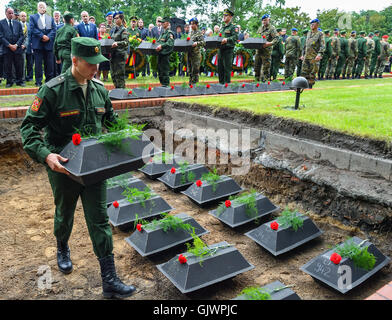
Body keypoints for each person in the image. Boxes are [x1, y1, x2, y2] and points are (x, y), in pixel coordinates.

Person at [20, 36, 136, 299]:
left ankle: (109, 279)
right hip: (64, 167)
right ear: (74, 61)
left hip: (95, 166)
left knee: (99, 220)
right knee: (65, 213)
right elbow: (28, 128)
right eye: (91, 63)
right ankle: (62, 245)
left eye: (98, 63)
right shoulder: (52, 90)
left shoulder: (99, 89)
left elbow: (112, 122)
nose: (96, 68)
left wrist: (133, 141)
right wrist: (46, 155)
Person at [29, 2, 57, 87]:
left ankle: (49, 80)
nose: (42, 8)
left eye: (43, 7)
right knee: (38, 64)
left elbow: (54, 29)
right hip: (38, 44)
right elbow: (32, 28)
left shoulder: (50, 18)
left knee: (49, 64)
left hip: (48, 44)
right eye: (40, 7)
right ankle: (38, 81)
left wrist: (48, 37)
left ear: (45, 8)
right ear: (37, 8)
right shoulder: (33, 17)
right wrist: (42, 36)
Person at [0, 7, 25, 87]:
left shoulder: (17, 23)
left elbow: (21, 36)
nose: (11, 15)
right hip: (7, 48)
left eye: (12, 13)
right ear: (6, 13)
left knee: (19, 65)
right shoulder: (1, 23)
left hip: (17, 48)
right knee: (8, 66)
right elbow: (1, 36)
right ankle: (9, 82)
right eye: (9, 13)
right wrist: (9, 45)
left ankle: (19, 81)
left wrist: (16, 45)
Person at [300, 19, 325, 88]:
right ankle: (303, 86)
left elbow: (322, 46)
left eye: (313, 24)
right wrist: (302, 54)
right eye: (311, 24)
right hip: (306, 56)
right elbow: (305, 45)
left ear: (317, 25)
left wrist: (319, 54)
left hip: (314, 56)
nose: (311, 26)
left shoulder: (320, 34)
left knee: (312, 72)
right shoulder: (308, 33)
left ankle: (310, 86)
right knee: (304, 72)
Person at [254, 14, 279, 82]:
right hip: (258, 51)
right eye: (263, 20)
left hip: (266, 52)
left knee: (266, 69)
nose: (264, 22)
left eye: (265, 20)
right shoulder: (260, 28)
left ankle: (265, 83)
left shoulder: (272, 28)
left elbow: (276, 39)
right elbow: (257, 37)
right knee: (256, 67)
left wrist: (269, 43)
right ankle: (257, 82)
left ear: (269, 20)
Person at [217, 9, 238, 84]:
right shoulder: (222, 28)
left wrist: (227, 39)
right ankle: (220, 84)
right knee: (220, 68)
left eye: (226, 15)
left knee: (226, 68)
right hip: (220, 50)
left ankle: (226, 85)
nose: (224, 17)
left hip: (228, 50)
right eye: (224, 15)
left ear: (230, 17)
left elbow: (235, 37)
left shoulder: (233, 27)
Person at [109, 11, 129, 88]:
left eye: (117, 18)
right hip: (113, 54)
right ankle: (117, 90)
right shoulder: (113, 29)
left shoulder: (123, 30)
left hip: (120, 55)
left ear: (121, 19)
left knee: (119, 75)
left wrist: (117, 43)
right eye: (114, 18)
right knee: (113, 74)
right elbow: (110, 39)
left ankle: (121, 91)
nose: (115, 20)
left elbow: (126, 42)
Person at [155, 17, 174, 86]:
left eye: (163, 22)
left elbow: (170, 43)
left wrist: (161, 46)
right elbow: (159, 42)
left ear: (167, 23)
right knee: (160, 71)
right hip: (160, 54)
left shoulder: (169, 33)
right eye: (161, 22)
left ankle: (166, 85)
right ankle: (162, 84)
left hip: (165, 55)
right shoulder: (163, 33)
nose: (162, 23)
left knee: (164, 70)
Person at [187, 17, 205, 85]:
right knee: (190, 69)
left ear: (196, 24)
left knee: (195, 69)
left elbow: (203, 42)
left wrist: (197, 43)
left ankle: (195, 84)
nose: (192, 25)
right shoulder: (190, 33)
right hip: (190, 53)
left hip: (196, 54)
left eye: (193, 24)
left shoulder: (199, 33)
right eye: (191, 24)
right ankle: (190, 83)